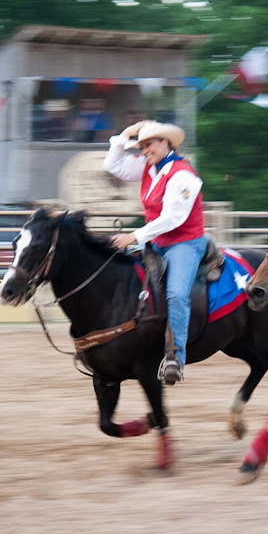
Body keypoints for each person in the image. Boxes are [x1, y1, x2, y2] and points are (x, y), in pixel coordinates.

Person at [103, 120, 207, 385]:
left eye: (148, 144)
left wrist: (133, 236)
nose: (144, 150)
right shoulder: (150, 168)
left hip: (184, 243)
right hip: (156, 241)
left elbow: (173, 218)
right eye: (141, 146)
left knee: (176, 293)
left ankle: (175, 357)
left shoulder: (184, 175)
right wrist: (125, 133)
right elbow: (112, 166)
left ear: (164, 142)